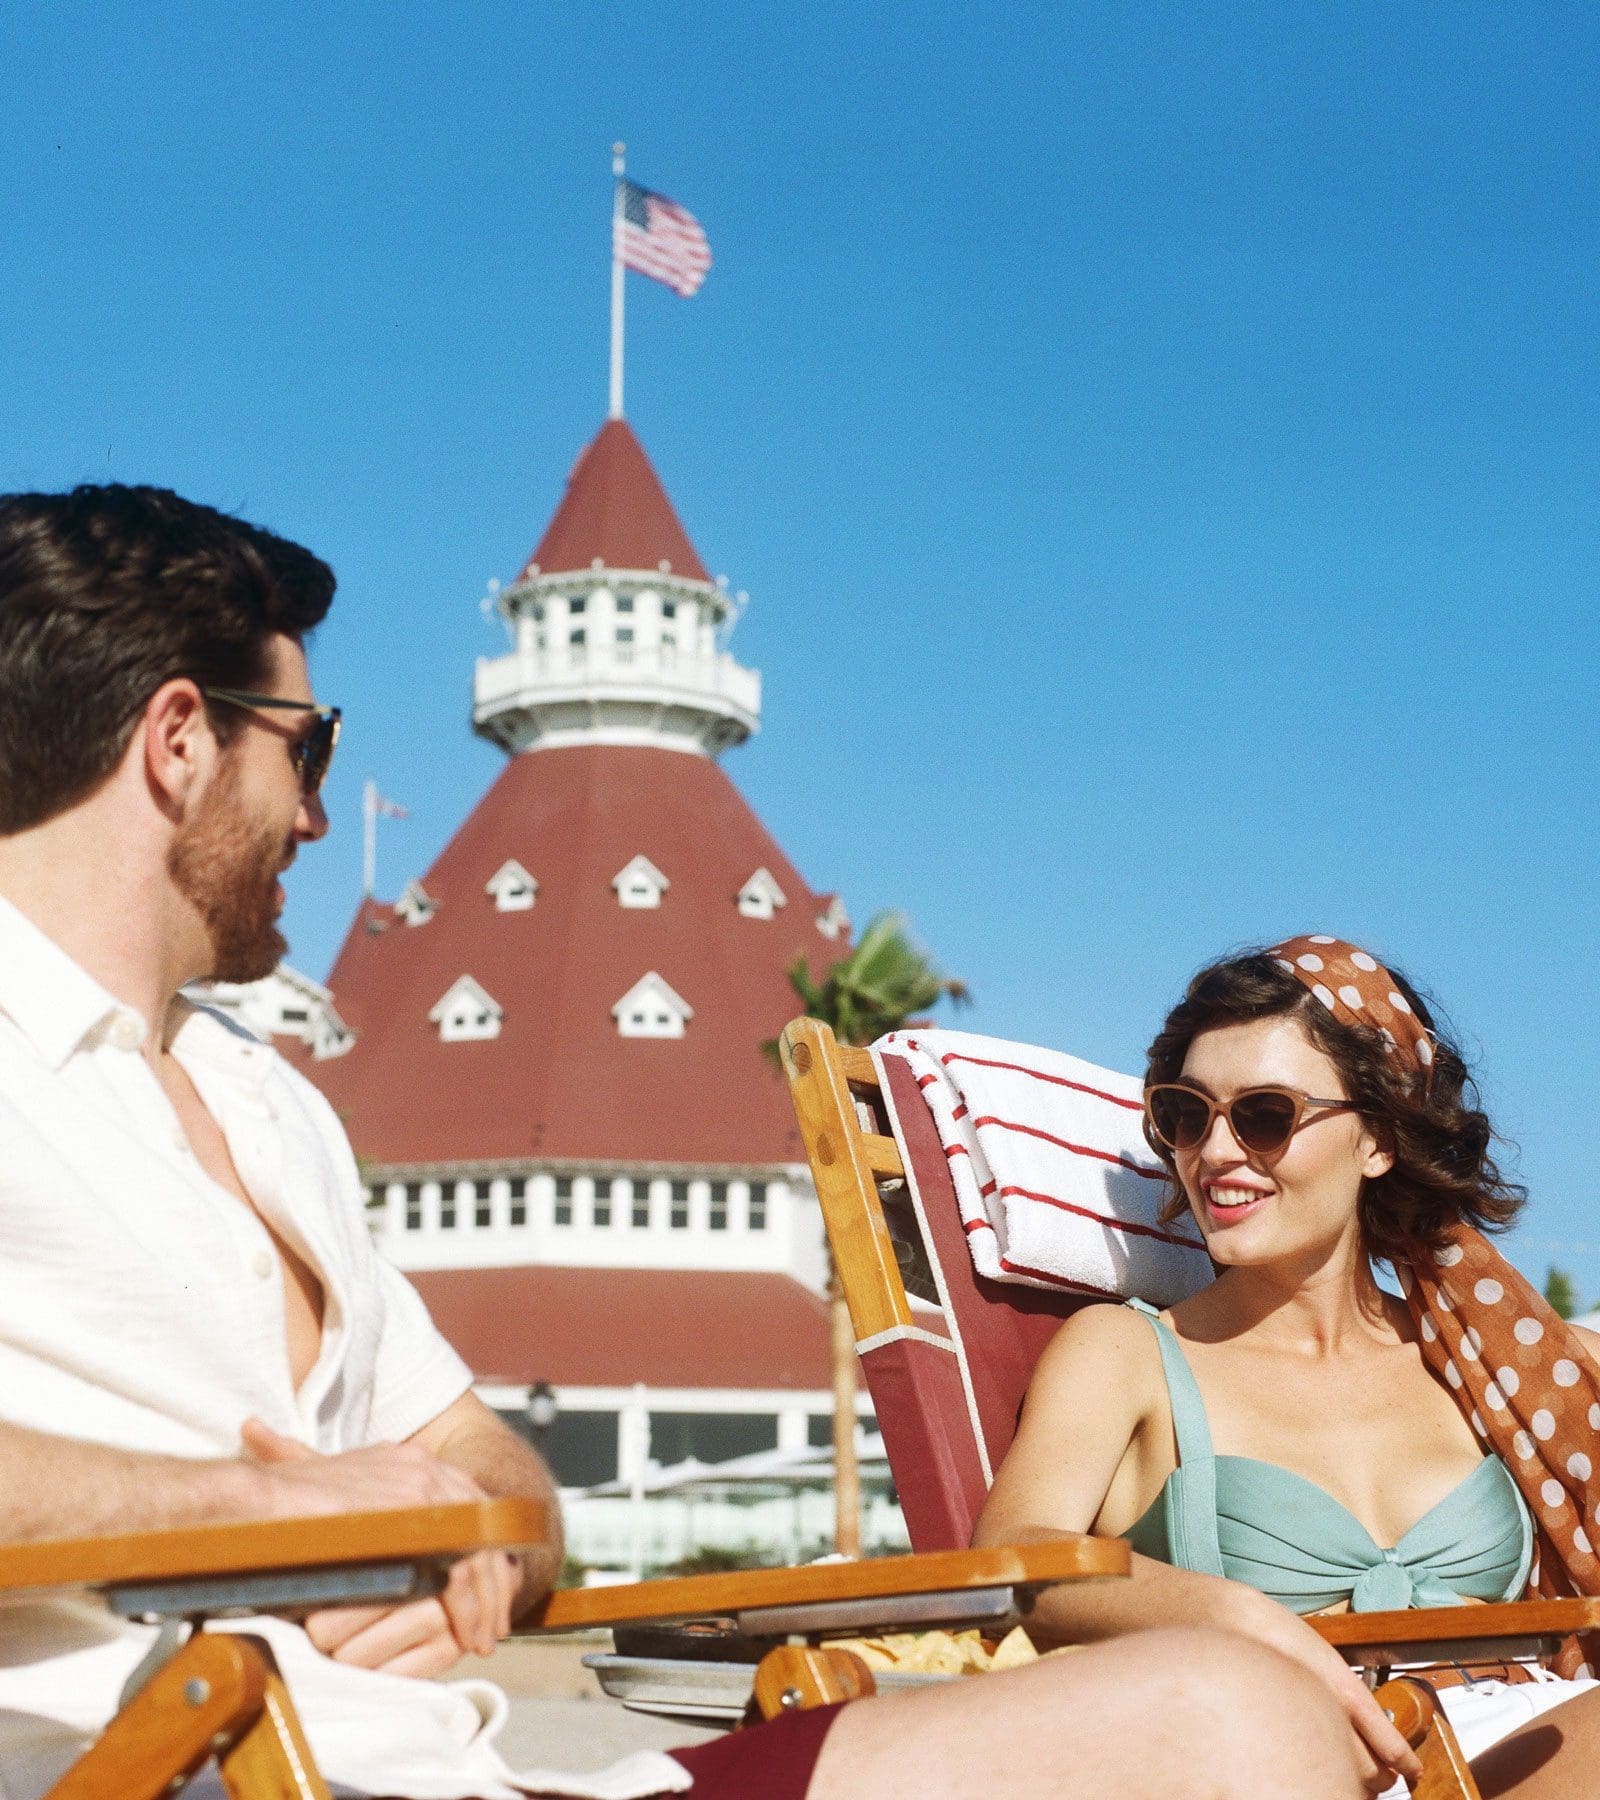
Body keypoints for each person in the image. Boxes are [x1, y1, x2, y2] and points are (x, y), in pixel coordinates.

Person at [0, 484, 1376, 1800]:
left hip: (465, 1765)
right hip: (183, 1760)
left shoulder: (271, 1103)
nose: (316, 810)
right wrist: (255, 1516)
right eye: (310, 747)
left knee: (1232, 1720)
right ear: (180, 741)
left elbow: (491, 1463)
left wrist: (471, 1545)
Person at [978, 934, 1600, 1798]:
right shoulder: (1131, 1354)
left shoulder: (1483, 1362)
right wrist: (1235, 1615)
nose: (1219, 1152)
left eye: (1265, 1115)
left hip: (1514, 1736)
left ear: (1378, 1140)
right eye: (1187, 1115)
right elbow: (1011, 1555)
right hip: (1291, 1761)